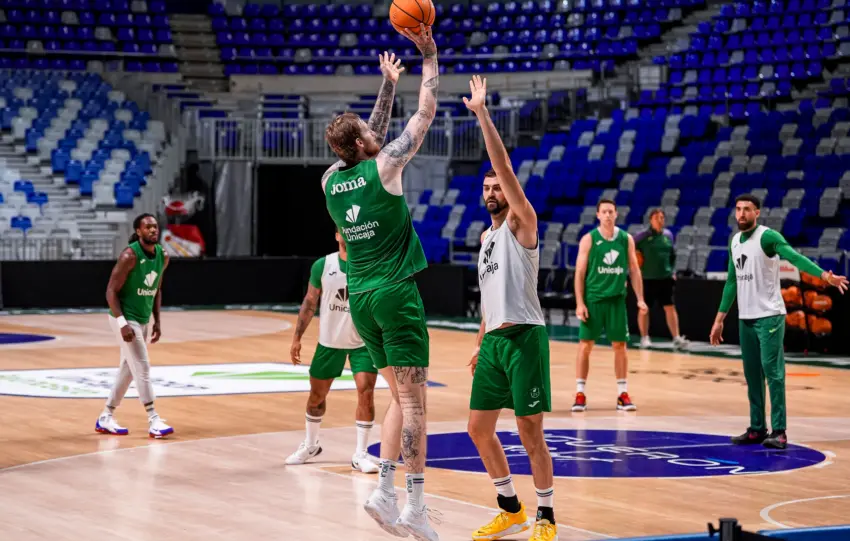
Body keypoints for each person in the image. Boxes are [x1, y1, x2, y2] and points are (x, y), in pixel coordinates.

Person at [321, 31, 440, 540]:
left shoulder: (330, 180)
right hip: (395, 292)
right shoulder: (386, 166)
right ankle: (413, 506)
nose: (375, 138)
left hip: (362, 298)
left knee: (398, 398)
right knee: (416, 405)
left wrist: (387, 84)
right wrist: (428, 54)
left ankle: (385, 493)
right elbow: (426, 114)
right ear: (364, 147)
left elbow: (366, 136)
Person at [464, 76, 558, 541]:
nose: (491, 193)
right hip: (496, 341)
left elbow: (503, 165)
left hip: (525, 337)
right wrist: (481, 341)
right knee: (478, 429)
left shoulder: (524, 224)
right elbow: (488, 297)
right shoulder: (484, 240)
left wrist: (482, 114)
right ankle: (511, 507)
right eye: (486, 188)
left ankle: (546, 515)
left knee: (529, 432)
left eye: (496, 187)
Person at [710, 194, 848, 449]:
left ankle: (780, 431)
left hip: (770, 315)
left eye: (747, 210)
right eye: (738, 209)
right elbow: (732, 282)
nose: (741, 214)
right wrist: (720, 319)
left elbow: (795, 258)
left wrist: (824, 276)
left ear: (757, 213)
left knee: (773, 374)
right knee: (752, 376)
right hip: (746, 318)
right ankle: (756, 428)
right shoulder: (734, 241)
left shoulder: (768, 237)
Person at [285, 230, 380, 474]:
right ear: (337, 235)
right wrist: (297, 338)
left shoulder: (369, 265)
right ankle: (310, 444)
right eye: (344, 231)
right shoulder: (323, 265)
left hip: (363, 342)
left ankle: (360, 453)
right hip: (329, 341)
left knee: (366, 391)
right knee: (316, 397)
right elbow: (309, 302)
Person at [96, 213, 173, 439]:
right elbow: (110, 291)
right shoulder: (129, 256)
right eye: (148, 227)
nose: (153, 230)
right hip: (124, 317)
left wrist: (157, 320)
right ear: (138, 231)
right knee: (142, 366)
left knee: (128, 370)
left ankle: (106, 416)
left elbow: (157, 290)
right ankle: (153, 419)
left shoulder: (163, 256)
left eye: (155, 227)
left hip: (142, 318)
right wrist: (122, 323)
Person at [572, 199, 648, 413]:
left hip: (616, 301)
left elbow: (634, 270)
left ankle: (622, 393)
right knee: (585, 346)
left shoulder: (626, 239)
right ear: (597, 215)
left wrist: (640, 298)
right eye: (604, 212)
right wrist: (579, 303)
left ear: (616, 214)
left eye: (611, 212)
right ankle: (580, 393)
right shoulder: (588, 240)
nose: (607, 215)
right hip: (594, 300)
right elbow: (579, 273)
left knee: (620, 346)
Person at [633, 208, 689, 350]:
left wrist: (673, 271)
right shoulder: (641, 237)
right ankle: (644, 338)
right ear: (650, 220)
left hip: (665, 279)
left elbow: (672, 255)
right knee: (644, 309)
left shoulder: (668, 235)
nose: (660, 220)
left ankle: (676, 338)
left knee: (670, 308)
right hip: (646, 279)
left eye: (662, 218)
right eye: (657, 218)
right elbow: (629, 251)